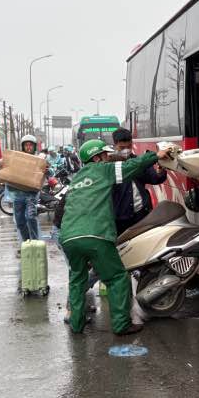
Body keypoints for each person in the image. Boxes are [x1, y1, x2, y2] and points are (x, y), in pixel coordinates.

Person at [62, 138, 170, 336]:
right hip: (96, 234)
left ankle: (76, 325)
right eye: (104, 154)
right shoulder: (102, 171)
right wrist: (156, 155)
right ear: (96, 158)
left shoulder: (76, 180)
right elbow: (132, 165)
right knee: (117, 277)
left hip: (69, 237)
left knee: (77, 280)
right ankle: (121, 324)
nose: (107, 157)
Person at [110, 127, 167, 235]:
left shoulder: (140, 162)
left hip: (142, 213)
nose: (126, 150)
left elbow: (155, 178)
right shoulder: (109, 166)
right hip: (120, 218)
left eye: (129, 146)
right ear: (115, 145)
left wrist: (161, 170)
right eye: (122, 147)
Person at [11, 134, 43, 242]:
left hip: (31, 195)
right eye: (26, 145)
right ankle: (26, 242)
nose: (28, 147)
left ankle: (35, 241)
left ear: (34, 147)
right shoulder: (18, 159)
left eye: (30, 145)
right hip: (18, 195)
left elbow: (49, 172)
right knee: (20, 222)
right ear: (23, 147)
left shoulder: (39, 159)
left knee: (30, 217)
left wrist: (47, 169)